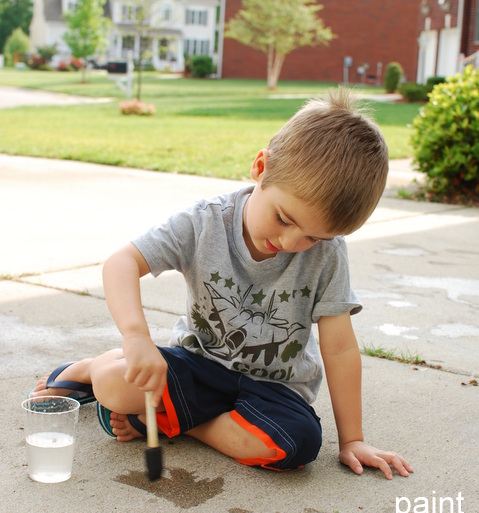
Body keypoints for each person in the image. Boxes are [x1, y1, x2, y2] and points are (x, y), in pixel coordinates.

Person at [31, 88, 413, 479]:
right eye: (283, 219)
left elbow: (340, 347)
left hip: (274, 390)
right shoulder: (204, 222)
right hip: (199, 366)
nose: (290, 243)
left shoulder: (329, 254)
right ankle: (90, 368)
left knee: (298, 444)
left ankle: (172, 421)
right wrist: (135, 338)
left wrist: (352, 440)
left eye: (313, 237)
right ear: (261, 168)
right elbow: (121, 262)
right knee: (113, 384)